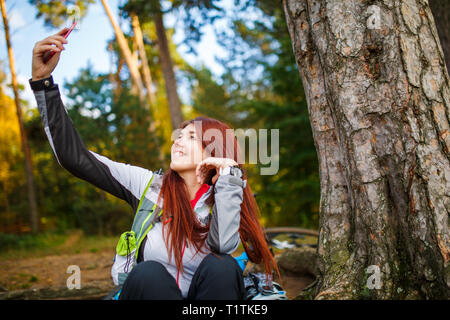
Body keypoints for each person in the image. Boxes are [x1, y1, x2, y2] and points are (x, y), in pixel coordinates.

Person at [29, 28, 278, 300]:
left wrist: (229, 179)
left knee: (222, 266)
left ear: (214, 150)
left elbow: (223, 246)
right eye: (178, 135)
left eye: (191, 136)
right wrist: (44, 84)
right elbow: (73, 156)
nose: (178, 141)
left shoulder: (225, 196)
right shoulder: (146, 185)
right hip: (148, 291)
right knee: (150, 272)